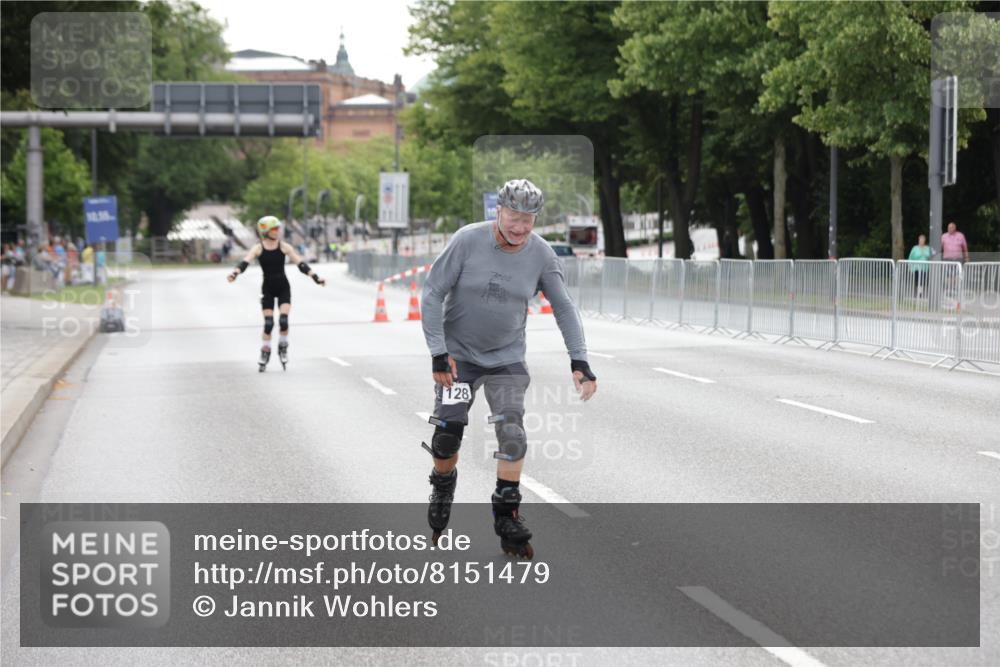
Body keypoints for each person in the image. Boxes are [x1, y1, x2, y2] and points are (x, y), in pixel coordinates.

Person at [419, 179, 597, 559]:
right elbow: (433, 292)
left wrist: (579, 360)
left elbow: (564, 307)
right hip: (458, 359)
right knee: (448, 435)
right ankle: (443, 484)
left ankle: (507, 517)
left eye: (528, 220)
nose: (520, 227)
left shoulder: (542, 255)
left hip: (506, 359)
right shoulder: (467, 240)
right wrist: (438, 352)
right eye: (513, 217)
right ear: (498, 211)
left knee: (512, 432)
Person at [227, 216, 326, 372]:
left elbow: (300, 264)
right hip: (267, 288)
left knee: (283, 321)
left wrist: (316, 278)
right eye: (274, 229)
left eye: (278, 228)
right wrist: (235, 273)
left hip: (283, 287)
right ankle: (265, 351)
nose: (277, 231)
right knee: (268, 324)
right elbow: (245, 262)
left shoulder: (284, 247)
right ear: (266, 231)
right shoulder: (258, 248)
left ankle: (283, 346)